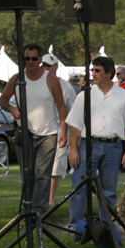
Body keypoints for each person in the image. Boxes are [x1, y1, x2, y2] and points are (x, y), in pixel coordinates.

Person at [66, 55, 125, 232]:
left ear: (109, 73)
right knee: (79, 184)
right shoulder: (85, 95)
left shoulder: (124, 97)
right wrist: (72, 149)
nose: (93, 74)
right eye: (92, 70)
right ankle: (75, 225)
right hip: (88, 144)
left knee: (109, 188)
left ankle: (105, 224)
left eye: (97, 71)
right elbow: (75, 124)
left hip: (113, 146)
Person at [0, 43, 69, 218]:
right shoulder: (17, 79)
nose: (30, 62)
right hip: (25, 132)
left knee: (43, 174)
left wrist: (63, 130)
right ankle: (27, 208)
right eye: (26, 59)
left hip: (48, 133)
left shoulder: (50, 79)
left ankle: (39, 210)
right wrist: (11, 109)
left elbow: (61, 106)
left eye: (34, 59)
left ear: (40, 60)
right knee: (27, 173)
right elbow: (3, 100)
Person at [43, 53, 77, 205]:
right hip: (40, 130)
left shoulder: (66, 87)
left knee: (55, 168)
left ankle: (50, 200)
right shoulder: (35, 84)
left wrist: (70, 136)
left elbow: (74, 111)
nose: (46, 68)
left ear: (56, 66)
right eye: (43, 65)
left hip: (59, 130)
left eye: (49, 65)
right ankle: (39, 198)